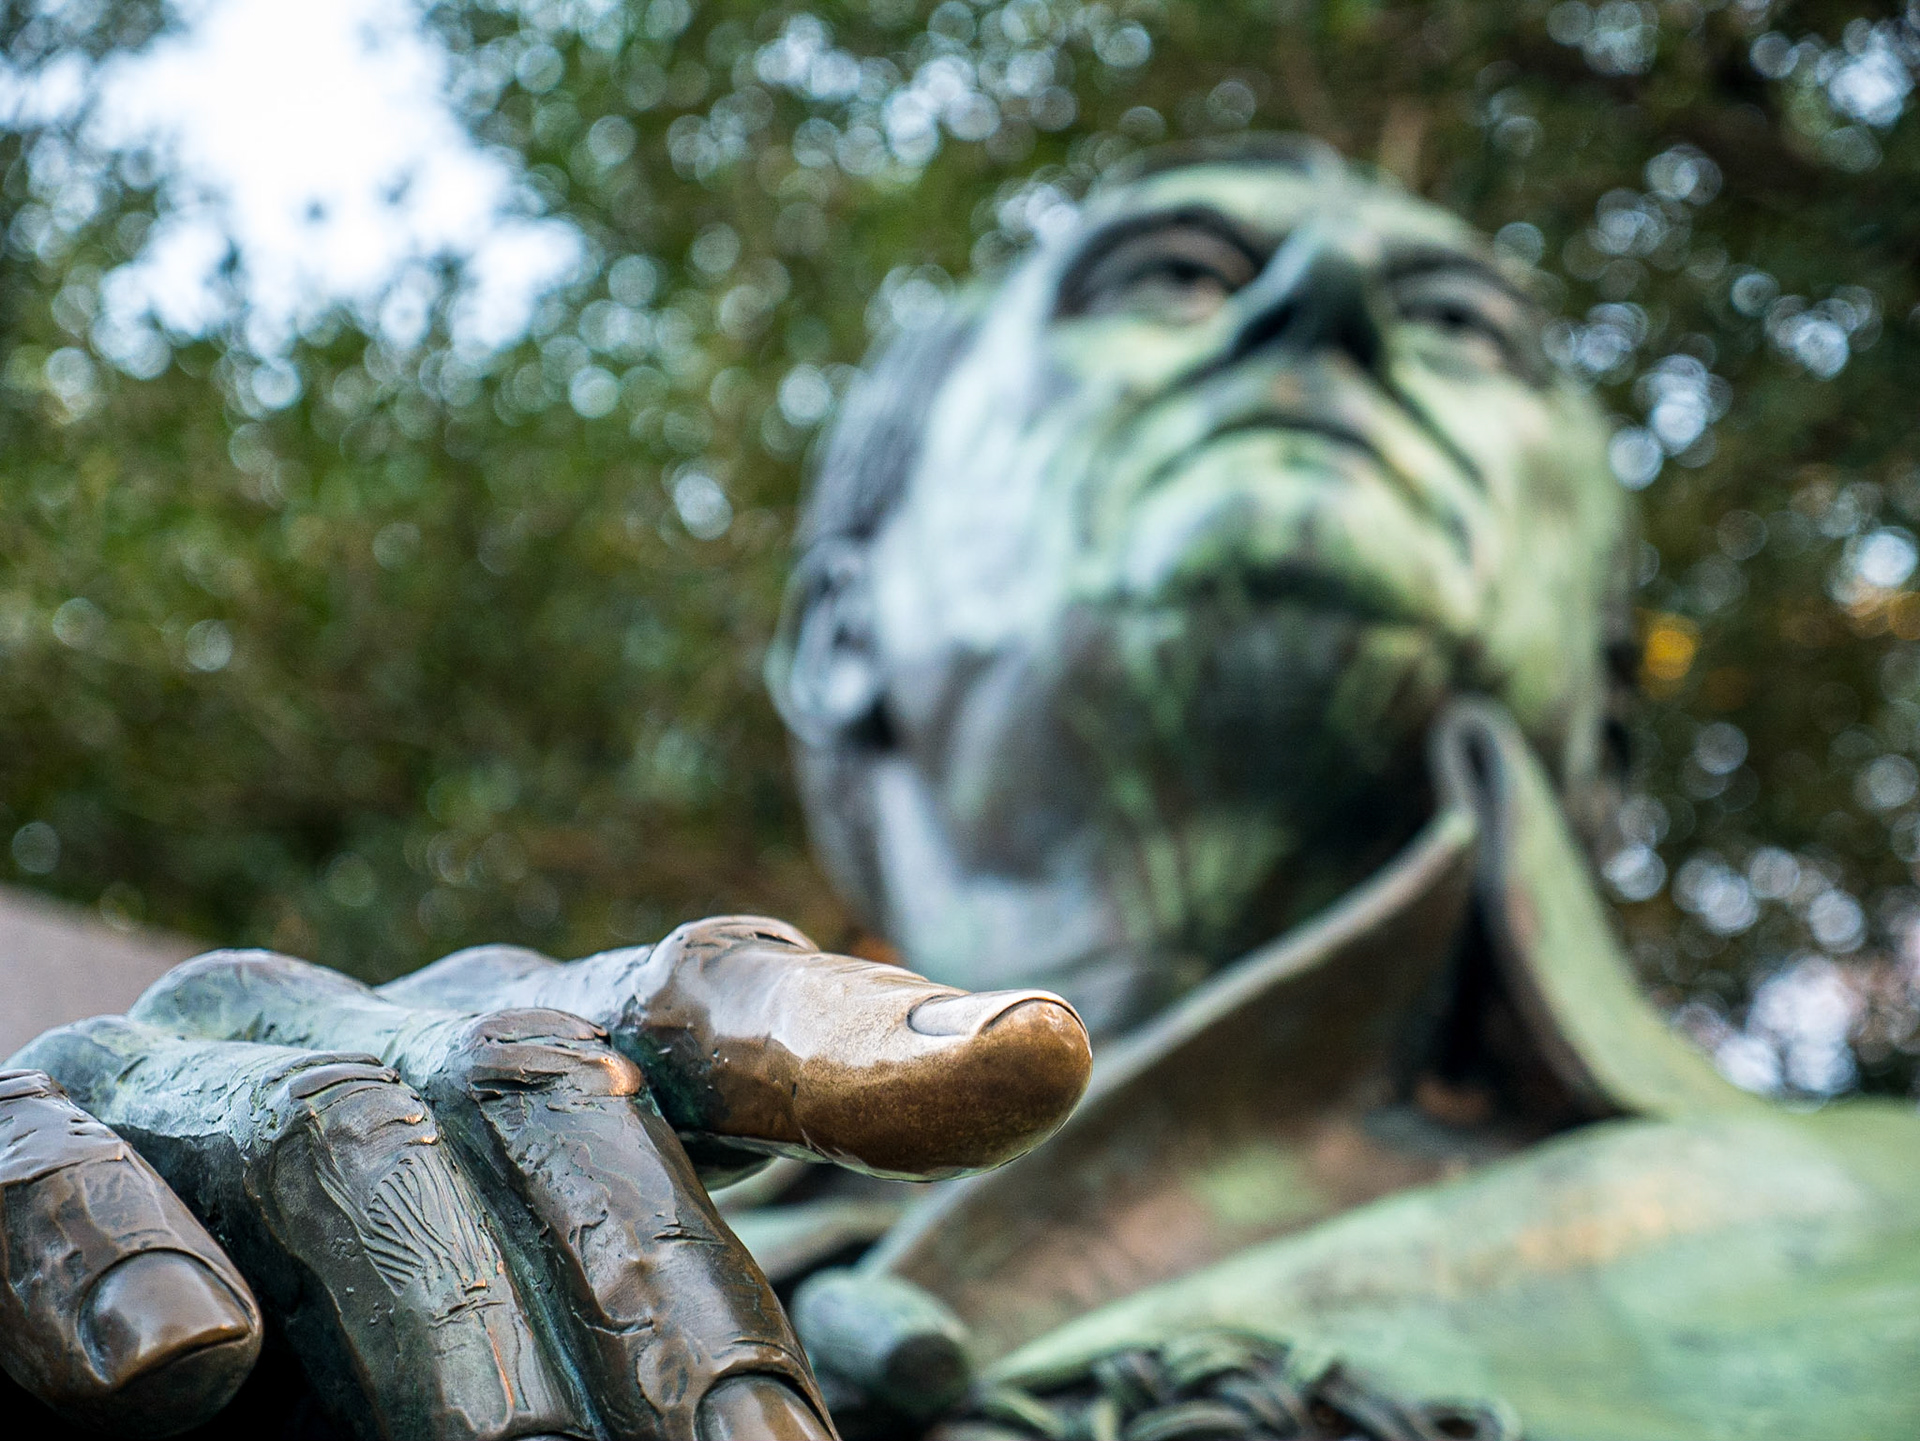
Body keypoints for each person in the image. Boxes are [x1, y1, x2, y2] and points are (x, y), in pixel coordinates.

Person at [4, 135, 1917, 1441]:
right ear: (844, 624)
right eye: (1167, 279)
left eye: (1467, 332)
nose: (1325, 296)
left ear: (1607, 710)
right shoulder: (439, 1243)